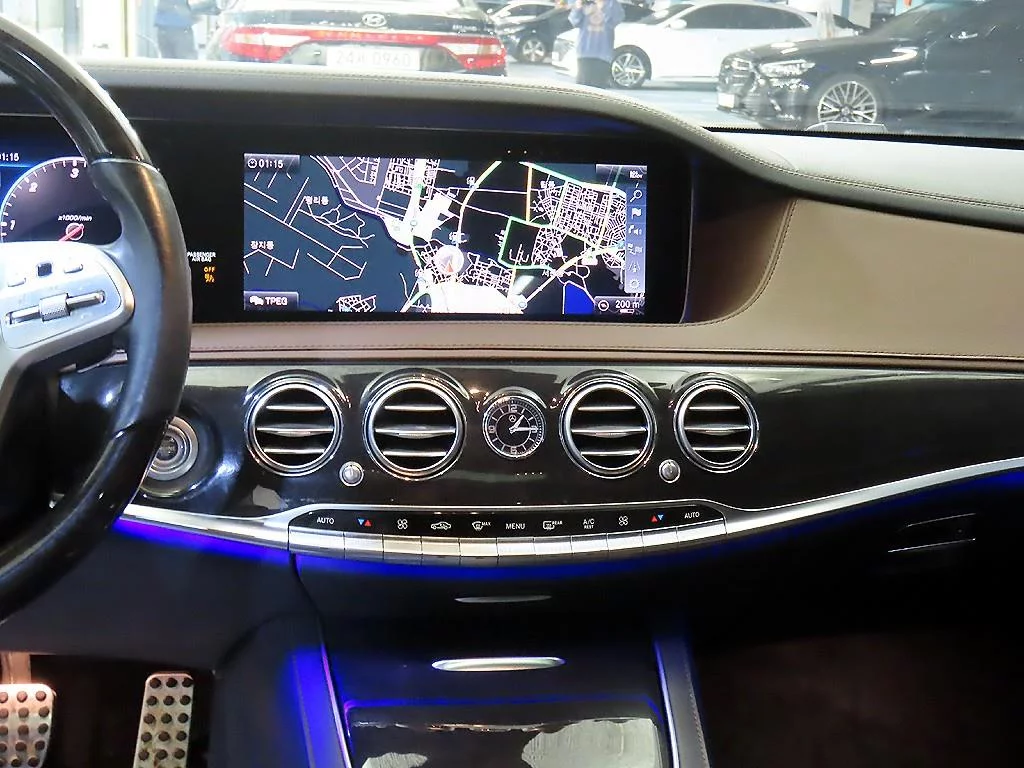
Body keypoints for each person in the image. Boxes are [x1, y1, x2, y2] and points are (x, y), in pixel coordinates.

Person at [568, 0, 625, 89]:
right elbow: (574, 21)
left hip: (603, 54)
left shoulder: (612, 3)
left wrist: (603, 6)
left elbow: (614, 21)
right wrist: (578, 7)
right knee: (582, 88)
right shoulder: (586, 3)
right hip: (584, 52)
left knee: (598, 89)